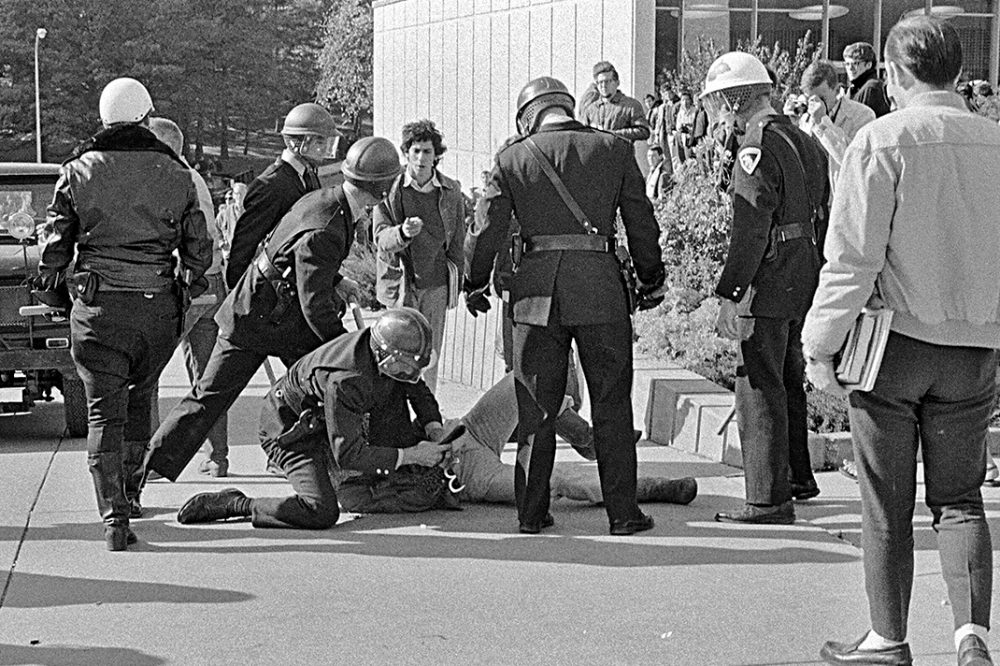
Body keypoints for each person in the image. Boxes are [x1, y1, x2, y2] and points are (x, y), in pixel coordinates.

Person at [803, 17, 1000, 666]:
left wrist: (820, 345)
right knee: (961, 498)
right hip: (974, 347)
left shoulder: (880, 141)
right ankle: (973, 640)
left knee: (886, 503)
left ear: (892, 74)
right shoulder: (994, 143)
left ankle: (887, 639)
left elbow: (852, 260)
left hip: (893, 345)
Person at [463, 75, 665, 536]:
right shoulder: (613, 149)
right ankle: (623, 515)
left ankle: (531, 515)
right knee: (612, 404)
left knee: (534, 408)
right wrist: (651, 280)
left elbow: (487, 229)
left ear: (528, 116)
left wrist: (475, 284)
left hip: (535, 296)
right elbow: (641, 222)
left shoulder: (512, 157)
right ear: (569, 106)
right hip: (600, 289)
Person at [144, 137, 402, 482]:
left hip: (278, 314)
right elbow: (315, 307)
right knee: (211, 397)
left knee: (313, 388)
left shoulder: (326, 201)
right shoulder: (328, 226)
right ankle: (148, 467)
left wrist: (337, 279)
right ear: (381, 192)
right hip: (258, 318)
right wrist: (348, 350)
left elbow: (298, 256)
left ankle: (297, 457)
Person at [34, 78, 212, 550]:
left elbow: (55, 248)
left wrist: (55, 287)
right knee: (141, 400)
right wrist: (189, 286)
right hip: (156, 309)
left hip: (97, 309)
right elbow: (199, 250)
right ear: (147, 117)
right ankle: (132, 494)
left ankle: (113, 518)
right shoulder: (177, 173)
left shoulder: (77, 169)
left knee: (101, 414)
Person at [174, 308, 452, 528]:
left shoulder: (383, 345)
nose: (412, 372)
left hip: (325, 415)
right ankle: (238, 504)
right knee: (320, 510)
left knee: (393, 394)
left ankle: (373, 477)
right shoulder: (345, 379)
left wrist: (435, 429)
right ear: (385, 356)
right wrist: (412, 455)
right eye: (405, 365)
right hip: (289, 430)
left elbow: (417, 389)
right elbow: (348, 453)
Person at [701, 52, 830, 525]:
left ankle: (767, 499)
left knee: (757, 382)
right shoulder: (802, 138)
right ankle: (797, 475)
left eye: (721, 102)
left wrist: (731, 292)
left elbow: (750, 226)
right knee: (788, 377)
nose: (719, 113)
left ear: (735, 100)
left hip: (770, 277)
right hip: (805, 271)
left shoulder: (754, 146)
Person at [446, 373, 698, 507]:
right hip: (469, 475)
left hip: (467, 430)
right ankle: (650, 488)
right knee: (557, 479)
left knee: (526, 378)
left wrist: (435, 429)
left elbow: (423, 403)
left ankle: (587, 440)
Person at [147, 118, 231, 478]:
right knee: (209, 377)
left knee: (147, 377)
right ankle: (218, 456)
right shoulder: (193, 178)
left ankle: (148, 458)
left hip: (182, 287)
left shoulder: (166, 180)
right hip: (210, 285)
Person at [372, 119, 466, 393]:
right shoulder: (390, 190)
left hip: (436, 286)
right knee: (396, 357)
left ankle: (427, 419)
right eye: (416, 151)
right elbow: (379, 237)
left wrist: (455, 286)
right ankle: (394, 418)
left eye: (427, 151)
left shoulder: (451, 191)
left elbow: (458, 244)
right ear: (406, 153)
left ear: (436, 155)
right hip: (401, 288)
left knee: (429, 357)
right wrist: (401, 232)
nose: (421, 158)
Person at [224, 102, 342, 289]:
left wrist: (337, 280)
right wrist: (240, 297)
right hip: (268, 290)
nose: (325, 148)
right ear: (296, 143)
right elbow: (245, 244)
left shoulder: (308, 176)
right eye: (319, 141)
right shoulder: (272, 184)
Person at [799, 61, 876, 197]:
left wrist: (823, 122)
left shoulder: (863, 115)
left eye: (821, 98)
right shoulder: (806, 117)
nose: (815, 104)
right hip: (815, 203)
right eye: (809, 99)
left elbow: (853, 160)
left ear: (836, 89)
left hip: (844, 200)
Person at [580, 61, 651, 143]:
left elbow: (643, 131)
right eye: (600, 82)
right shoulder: (591, 109)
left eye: (607, 81)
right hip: (598, 154)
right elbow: (583, 134)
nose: (603, 85)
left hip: (622, 153)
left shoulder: (631, 106)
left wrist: (614, 134)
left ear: (617, 83)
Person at [843, 42, 891, 118]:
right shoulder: (856, 88)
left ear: (869, 65)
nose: (850, 68)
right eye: (847, 64)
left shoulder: (872, 88)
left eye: (855, 63)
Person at [674, 90, 696, 163]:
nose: (685, 102)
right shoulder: (681, 113)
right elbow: (678, 126)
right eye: (683, 100)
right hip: (684, 138)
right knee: (684, 158)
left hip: (693, 137)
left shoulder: (694, 110)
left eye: (687, 99)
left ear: (690, 100)